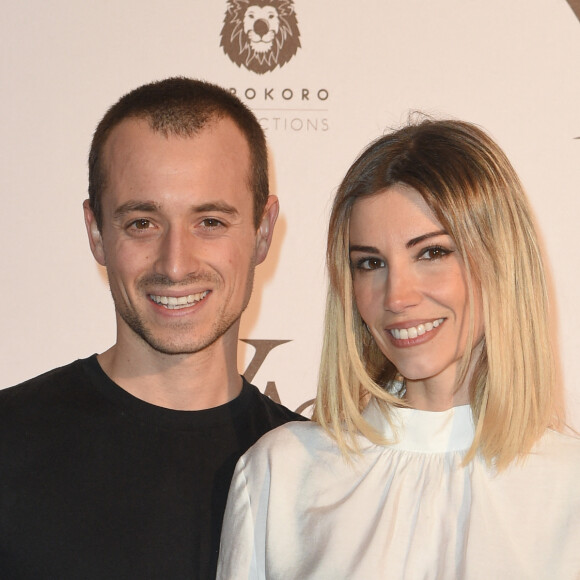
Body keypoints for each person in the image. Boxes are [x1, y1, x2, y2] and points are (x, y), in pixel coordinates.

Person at [217, 118, 580, 579]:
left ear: (501, 259)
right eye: (370, 263)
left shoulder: (570, 487)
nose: (396, 297)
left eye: (432, 253)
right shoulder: (283, 476)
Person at [0, 77, 305, 579]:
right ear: (96, 233)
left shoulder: (322, 477)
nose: (177, 263)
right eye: (143, 222)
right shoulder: (8, 443)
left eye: (210, 221)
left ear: (263, 231)